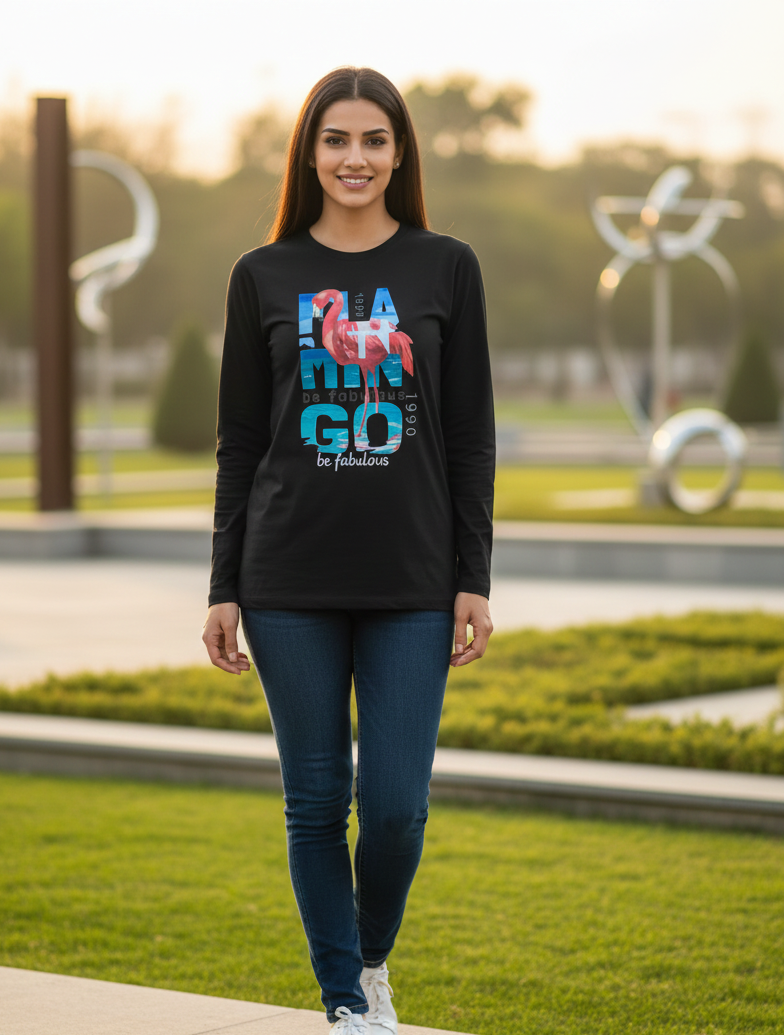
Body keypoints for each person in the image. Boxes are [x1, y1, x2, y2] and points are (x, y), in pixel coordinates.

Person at [203, 66, 495, 1034]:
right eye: (336, 140)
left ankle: (369, 960)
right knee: (316, 799)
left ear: (400, 151)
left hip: (413, 579)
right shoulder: (264, 275)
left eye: (374, 140)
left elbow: (469, 434)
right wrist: (223, 586)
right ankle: (345, 1005)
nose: (355, 158)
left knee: (400, 805)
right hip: (286, 578)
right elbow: (241, 441)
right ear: (310, 153)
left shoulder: (446, 267)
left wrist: (472, 578)